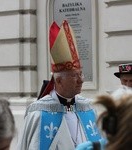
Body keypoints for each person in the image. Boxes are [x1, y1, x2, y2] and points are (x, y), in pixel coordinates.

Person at [16, 20, 104, 150]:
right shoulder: (39, 113)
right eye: (74, 76)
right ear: (58, 81)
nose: (81, 80)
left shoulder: (88, 109)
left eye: (81, 74)